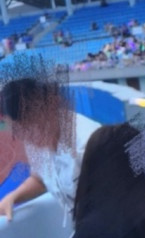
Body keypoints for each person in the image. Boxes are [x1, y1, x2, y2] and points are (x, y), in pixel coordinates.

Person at [0, 77, 99, 222]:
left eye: (29, 127)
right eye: (17, 130)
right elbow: (39, 179)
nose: (25, 137)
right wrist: (13, 196)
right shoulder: (34, 139)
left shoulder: (89, 144)